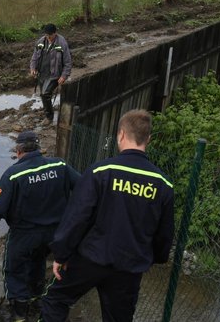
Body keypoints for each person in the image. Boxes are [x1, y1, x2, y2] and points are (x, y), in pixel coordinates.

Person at [40, 109, 175, 322]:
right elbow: (164, 233)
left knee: (55, 300)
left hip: (90, 258)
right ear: (147, 139)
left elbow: (77, 217)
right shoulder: (163, 184)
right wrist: (152, 259)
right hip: (129, 267)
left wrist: (61, 254)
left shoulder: (100, 171)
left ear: (120, 134)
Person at [0, 131, 80, 321]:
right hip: (55, 234)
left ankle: (20, 314)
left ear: (18, 150)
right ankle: (37, 299)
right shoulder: (59, 165)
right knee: (37, 262)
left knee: (14, 271)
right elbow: (83, 186)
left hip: (24, 235)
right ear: (39, 148)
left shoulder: (13, 174)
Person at [29, 23, 72, 125]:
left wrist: (63, 76)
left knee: (45, 94)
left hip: (54, 75)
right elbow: (34, 57)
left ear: (55, 33)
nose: (48, 38)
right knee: (43, 94)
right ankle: (47, 111)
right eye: (46, 35)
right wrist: (33, 68)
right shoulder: (40, 42)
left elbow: (68, 62)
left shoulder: (61, 43)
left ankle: (49, 117)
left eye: (50, 35)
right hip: (42, 73)